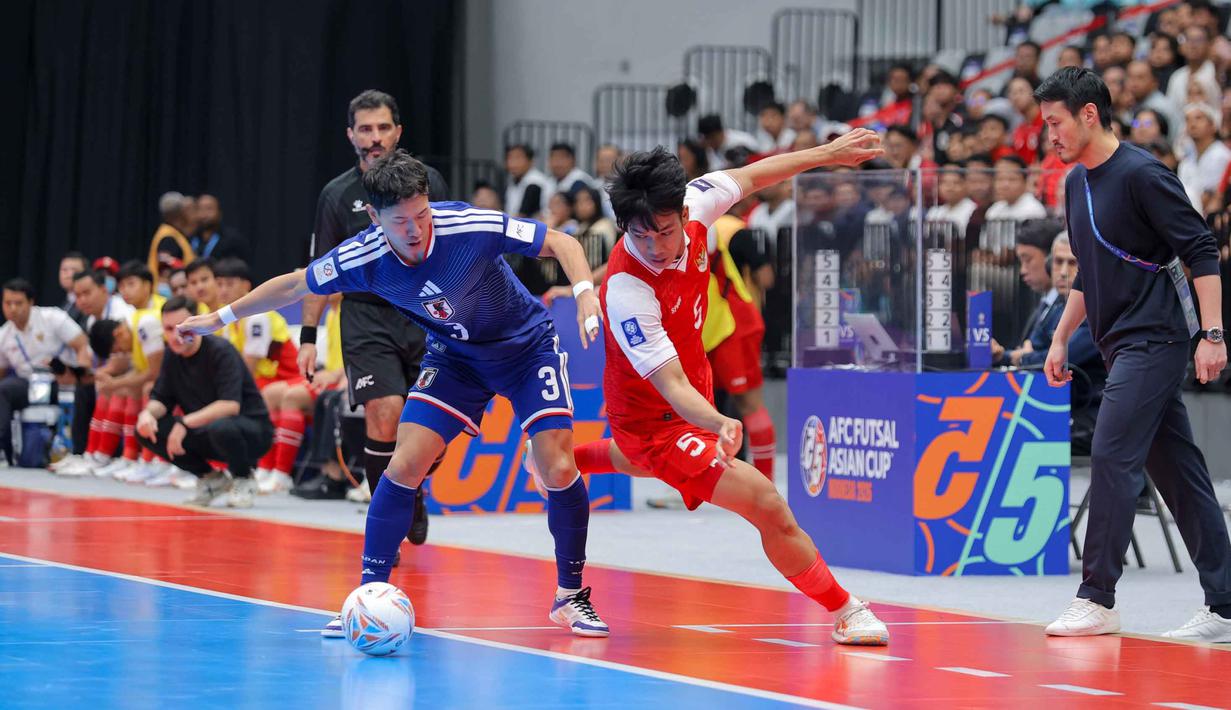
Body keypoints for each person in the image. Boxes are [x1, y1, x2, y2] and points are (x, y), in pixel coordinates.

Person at [177, 149, 610, 640]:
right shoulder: (363, 255)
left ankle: (570, 596)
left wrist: (584, 294)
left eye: (422, 214)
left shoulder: (466, 225)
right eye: (400, 220)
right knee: (404, 463)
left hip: (525, 348)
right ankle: (367, 595)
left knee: (557, 466)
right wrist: (219, 318)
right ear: (374, 217)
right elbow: (296, 284)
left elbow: (560, 242)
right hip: (455, 358)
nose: (415, 228)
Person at [571, 131, 891, 646]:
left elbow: (753, 176)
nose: (655, 246)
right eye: (640, 236)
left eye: (665, 232)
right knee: (765, 501)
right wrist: (717, 420)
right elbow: (670, 385)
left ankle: (565, 457)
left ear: (683, 212)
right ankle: (846, 609)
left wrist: (827, 155)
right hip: (655, 420)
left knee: (644, 464)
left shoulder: (696, 204)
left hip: (688, 389)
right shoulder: (627, 290)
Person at [1036, 67, 1231, 641]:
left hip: (1158, 339)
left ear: (1089, 114)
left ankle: (1096, 597)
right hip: (1114, 343)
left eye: (1056, 123)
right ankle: (1227, 605)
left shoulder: (1145, 174)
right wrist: (1058, 338)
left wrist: (1213, 335)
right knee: (1180, 474)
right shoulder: (1076, 184)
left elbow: (1201, 250)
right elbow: (1087, 274)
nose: (1050, 135)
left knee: (1112, 451)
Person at [135, 296, 272, 508]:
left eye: (182, 328)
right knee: (147, 430)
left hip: (250, 432)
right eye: (169, 329)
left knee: (221, 426)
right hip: (207, 431)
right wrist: (147, 414)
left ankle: (244, 479)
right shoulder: (172, 356)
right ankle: (211, 479)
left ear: (197, 324)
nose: (175, 336)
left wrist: (184, 423)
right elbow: (161, 399)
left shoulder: (220, 351)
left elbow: (230, 405)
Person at [214, 258, 305, 493]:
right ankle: (259, 468)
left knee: (249, 398)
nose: (222, 290)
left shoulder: (257, 316)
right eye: (219, 284)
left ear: (246, 286)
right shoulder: (228, 321)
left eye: (229, 284)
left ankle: (278, 473)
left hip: (292, 378)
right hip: (267, 383)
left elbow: (247, 368)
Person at [0, 279, 90, 466]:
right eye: (8, 303)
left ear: (31, 302)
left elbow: (82, 345)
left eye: (18, 303)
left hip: (60, 380)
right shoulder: (3, 335)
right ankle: (3, 450)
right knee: (3, 390)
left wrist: (82, 377)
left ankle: (80, 453)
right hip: (29, 384)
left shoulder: (53, 318)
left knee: (81, 391)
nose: (13, 308)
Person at [1177, 102, 1231, 213]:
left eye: (1198, 118)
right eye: (1188, 119)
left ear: (1213, 125)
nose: (1192, 124)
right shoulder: (1186, 160)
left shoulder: (1221, 155)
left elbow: (1210, 198)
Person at [147, 192, 197, 277]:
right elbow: (165, 272)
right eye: (185, 210)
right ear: (179, 213)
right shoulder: (168, 237)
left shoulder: (174, 234)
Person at [192, 194, 248, 262]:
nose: (204, 214)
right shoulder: (190, 238)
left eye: (209, 208)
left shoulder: (233, 240)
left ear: (219, 213)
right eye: (200, 209)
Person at [504, 144, 551, 218]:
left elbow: (523, 216)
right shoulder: (514, 181)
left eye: (518, 158)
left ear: (530, 161)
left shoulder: (535, 182)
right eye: (510, 158)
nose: (513, 163)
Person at [58, 252, 88, 325]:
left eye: (75, 270)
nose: (69, 274)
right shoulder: (65, 303)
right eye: (64, 270)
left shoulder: (88, 305)